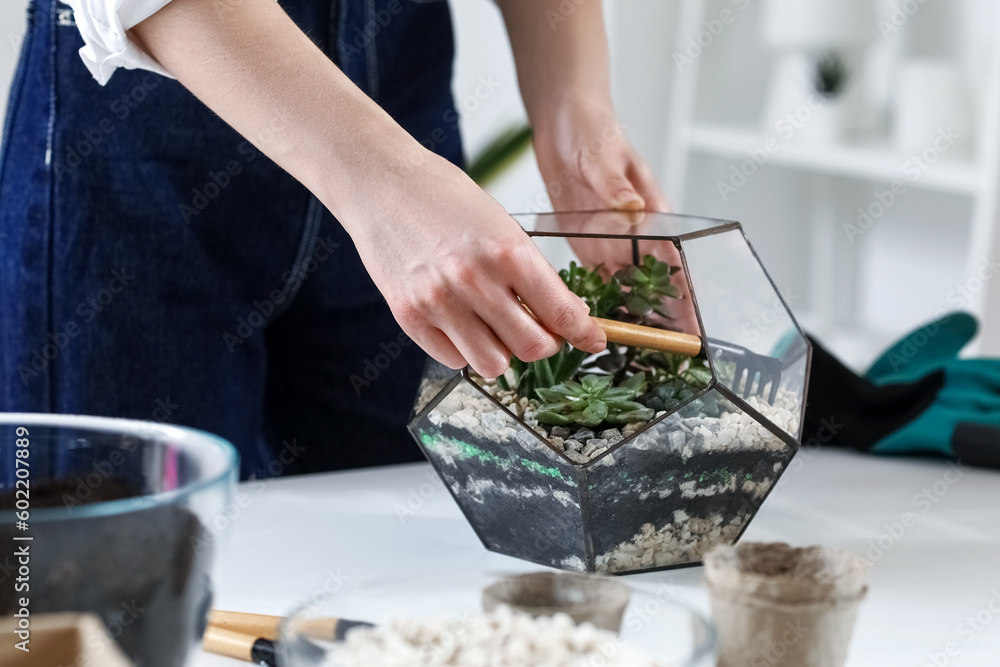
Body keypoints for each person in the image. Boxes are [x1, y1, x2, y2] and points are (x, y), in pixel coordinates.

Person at [0, 0, 669, 478]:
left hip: (404, 103)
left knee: (395, 580)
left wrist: (572, 106)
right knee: (115, 589)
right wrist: (387, 184)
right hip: (144, 132)